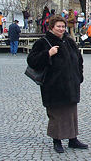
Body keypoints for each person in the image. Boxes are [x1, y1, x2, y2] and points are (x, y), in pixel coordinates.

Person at [27, 14, 87, 153]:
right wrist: (48, 54)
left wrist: (79, 75)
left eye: (63, 26)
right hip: (53, 86)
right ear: (51, 27)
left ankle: (73, 139)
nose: (61, 29)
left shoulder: (69, 41)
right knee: (56, 114)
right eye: (58, 26)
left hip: (71, 84)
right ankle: (57, 140)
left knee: (72, 113)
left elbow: (79, 59)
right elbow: (32, 60)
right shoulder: (44, 42)